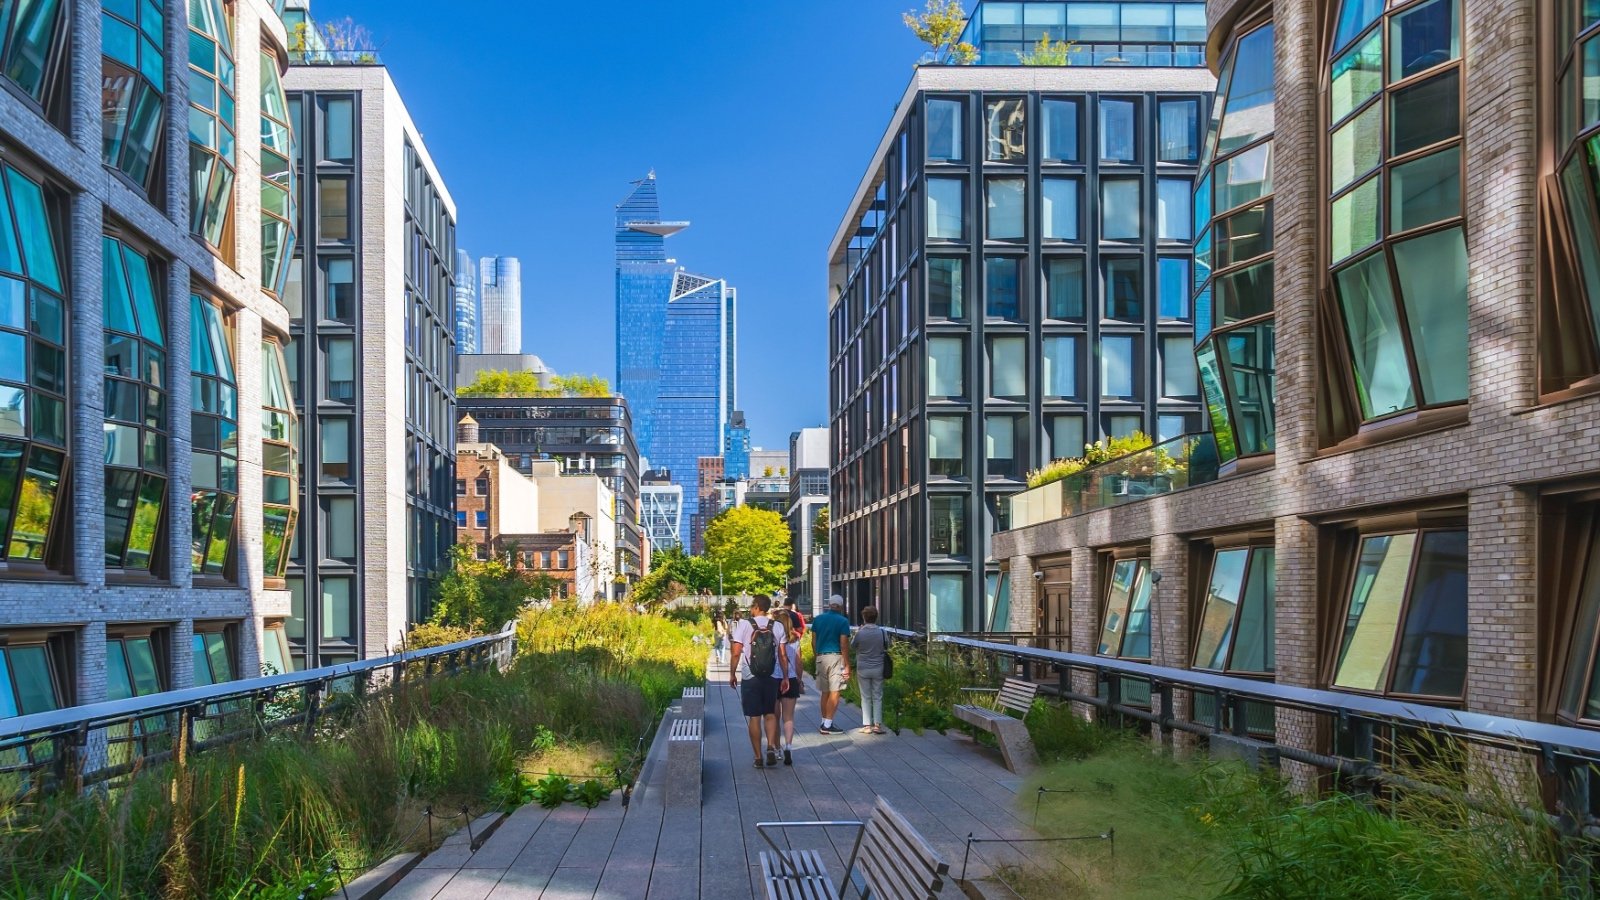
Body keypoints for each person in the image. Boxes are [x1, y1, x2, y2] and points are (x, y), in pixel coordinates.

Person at [729, 594, 789, 768]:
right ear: (768, 608)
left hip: (750, 676)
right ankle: (770, 746)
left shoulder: (745, 625)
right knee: (770, 714)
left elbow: (735, 652)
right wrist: (785, 677)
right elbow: (783, 655)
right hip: (772, 675)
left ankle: (757, 757)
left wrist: (732, 674)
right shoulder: (777, 626)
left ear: (756, 607)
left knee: (754, 717)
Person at [810, 597, 852, 735]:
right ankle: (827, 724)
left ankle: (824, 721)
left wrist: (817, 656)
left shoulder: (818, 619)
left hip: (821, 657)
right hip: (836, 657)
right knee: (836, 690)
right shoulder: (843, 621)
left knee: (825, 692)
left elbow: (814, 640)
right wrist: (847, 664)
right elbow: (844, 643)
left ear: (829, 605)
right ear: (840, 607)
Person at [853, 606, 887, 735]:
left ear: (864, 617)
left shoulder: (860, 633)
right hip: (878, 667)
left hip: (863, 668)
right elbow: (887, 645)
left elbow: (852, 645)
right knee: (877, 696)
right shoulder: (882, 632)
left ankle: (867, 726)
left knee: (865, 697)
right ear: (876, 617)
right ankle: (878, 725)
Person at [775, 609, 804, 765]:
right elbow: (799, 662)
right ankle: (788, 747)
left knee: (773, 716)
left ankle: (775, 748)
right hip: (791, 679)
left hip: (774, 679)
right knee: (788, 717)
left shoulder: (773, 639)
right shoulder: (795, 639)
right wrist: (799, 679)